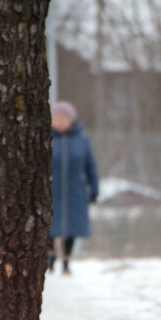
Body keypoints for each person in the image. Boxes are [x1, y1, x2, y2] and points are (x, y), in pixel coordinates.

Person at [49, 100, 100, 274]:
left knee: (71, 226)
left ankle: (66, 260)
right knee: (50, 225)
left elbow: (90, 166)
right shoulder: (46, 139)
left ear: (71, 120)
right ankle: (50, 257)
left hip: (75, 190)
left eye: (63, 119)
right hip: (52, 189)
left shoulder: (82, 140)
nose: (59, 122)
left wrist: (94, 188)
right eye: (55, 118)